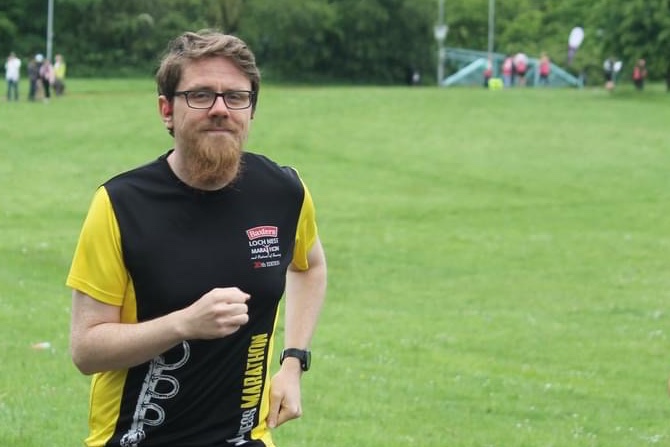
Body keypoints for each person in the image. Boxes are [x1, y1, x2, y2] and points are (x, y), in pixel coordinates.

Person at [66, 29, 328, 447]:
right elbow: (86, 348)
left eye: (236, 96)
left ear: (251, 109)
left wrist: (293, 361)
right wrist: (184, 324)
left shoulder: (283, 192)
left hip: (245, 438)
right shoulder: (119, 205)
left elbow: (310, 266)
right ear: (166, 110)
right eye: (201, 95)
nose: (221, 109)